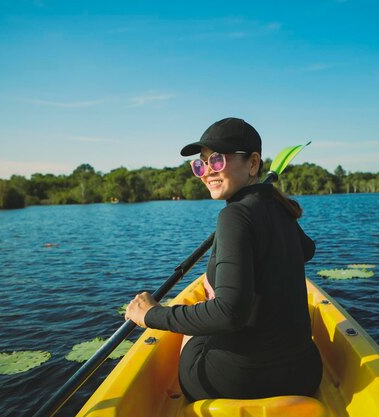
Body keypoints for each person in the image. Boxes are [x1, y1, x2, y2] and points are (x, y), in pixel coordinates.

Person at [125, 117, 322, 402]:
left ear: (253, 164)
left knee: (192, 336)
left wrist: (151, 314)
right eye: (200, 163)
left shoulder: (234, 215)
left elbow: (229, 314)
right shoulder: (276, 205)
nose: (206, 172)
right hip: (304, 375)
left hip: (241, 382)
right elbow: (306, 250)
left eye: (216, 161)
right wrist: (267, 195)